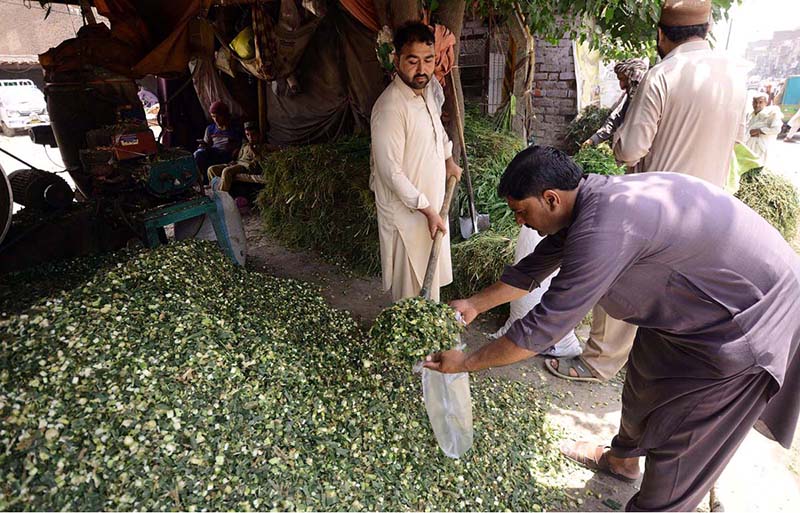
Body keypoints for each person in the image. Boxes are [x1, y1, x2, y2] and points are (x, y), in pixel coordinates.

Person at [425, 145, 800, 512]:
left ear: (551, 198)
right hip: (689, 309)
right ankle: (622, 460)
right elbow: (531, 270)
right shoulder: (588, 199)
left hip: (747, 322)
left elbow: (541, 331)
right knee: (644, 383)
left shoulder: (604, 230)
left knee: (684, 437)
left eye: (522, 212)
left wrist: (466, 362)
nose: (519, 222)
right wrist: (474, 304)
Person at [548, 0, 748, 384]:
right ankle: (666, 365)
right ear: (706, 29)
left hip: (659, 204)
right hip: (712, 207)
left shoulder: (663, 75)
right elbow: (737, 140)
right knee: (685, 287)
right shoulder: (734, 77)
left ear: (661, 34)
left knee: (623, 277)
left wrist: (618, 139)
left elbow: (630, 149)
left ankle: (600, 361)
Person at [369, 22, 462, 302]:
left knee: (429, 286)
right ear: (397, 60)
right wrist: (426, 209)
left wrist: (448, 159)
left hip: (429, 212)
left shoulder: (427, 92)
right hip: (407, 219)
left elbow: (437, 130)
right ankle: (412, 346)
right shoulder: (390, 107)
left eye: (428, 60)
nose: (422, 70)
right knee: (410, 296)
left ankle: (430, 344)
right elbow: (390, 172)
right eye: (413, 61)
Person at [581, 58, 649, 149]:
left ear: (634, 79)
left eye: (623, 79)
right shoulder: (629, 98)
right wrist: (594, 140)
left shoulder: (649, 99)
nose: (621, 86)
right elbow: (616, 118)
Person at [207, 121, 273, 192]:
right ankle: (215, 191)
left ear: (258, 135)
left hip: (247, 167)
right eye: (248, 135)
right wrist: (233, 162)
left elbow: (262, 163)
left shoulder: (264, 147)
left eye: (253, 134)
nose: (250, 137)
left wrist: (254, 151)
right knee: (211, 169)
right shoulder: (245, 145)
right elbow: (240, 158)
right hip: (238, 164)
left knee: (226, 171)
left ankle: (223, 195)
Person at [194, 101, 242, 182]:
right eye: (213, 117)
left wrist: (236, 149)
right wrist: (203, 146)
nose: (215, 119)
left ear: (225, 115)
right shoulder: (210, 129)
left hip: (226, 155)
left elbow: (241, 144)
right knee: (198, 154)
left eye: (218, 116)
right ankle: (204, 181)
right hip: (214, 152)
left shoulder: (234, 129)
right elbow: (207, 144)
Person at [746, 92, 784, 165]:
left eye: (760, 102)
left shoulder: (772, 113)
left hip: (761, 148)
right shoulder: (751, 115)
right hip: (749, 146)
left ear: (766, 103)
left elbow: (776, 129)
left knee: (758, 166)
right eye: (755, 102)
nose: (757, 105)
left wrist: (759, 131)